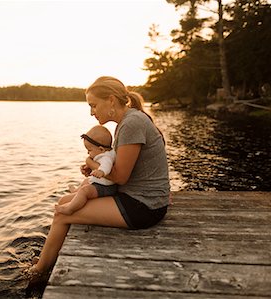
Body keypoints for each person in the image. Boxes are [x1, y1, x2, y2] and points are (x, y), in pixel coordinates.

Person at [25, 76, 170, 282]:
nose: (92, 112)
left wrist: (93, 164)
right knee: (66, 201)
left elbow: (120, 176)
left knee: (62, 214)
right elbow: (122, 169)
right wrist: (97, 168)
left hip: (145, 207)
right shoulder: (128, 121)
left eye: (93, 105)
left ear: (111, 100)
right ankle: (48, 259)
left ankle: (39, 271)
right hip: (140, 198)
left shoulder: (131, 124)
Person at [55, 125, 117, 215]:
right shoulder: (106, 153)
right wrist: (90, 167)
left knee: (85, 191)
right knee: (86, 181)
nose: (88, 153)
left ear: (101, 149)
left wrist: (101, 171)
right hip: (102, 184)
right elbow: (99, 164)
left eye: (89, 150)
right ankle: (76, 191)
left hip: (105, 188)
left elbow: (106, 165)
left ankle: (70, 209)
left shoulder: (106, 157)